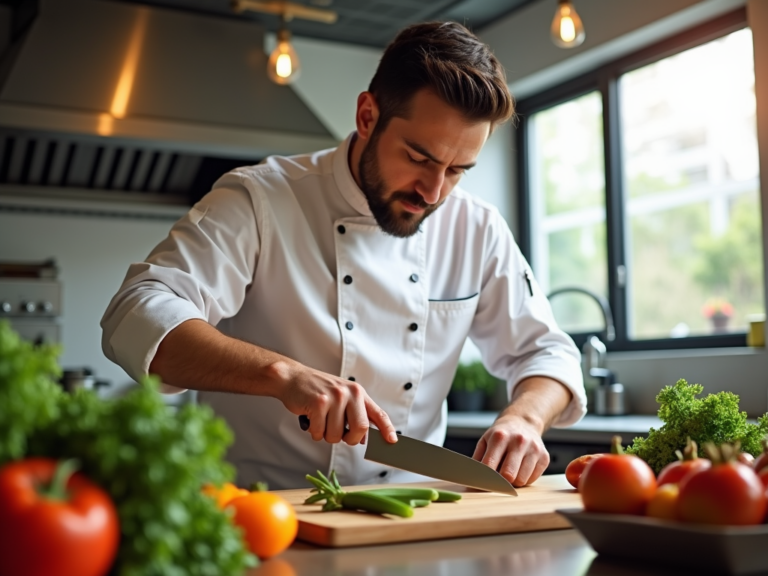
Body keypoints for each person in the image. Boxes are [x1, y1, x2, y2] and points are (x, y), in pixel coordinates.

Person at [101, 21, 585, 490]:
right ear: (367, 116)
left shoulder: (476, 227)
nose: (434, 192)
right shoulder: (261, 199)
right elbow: (137, 311)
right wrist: (283, 375)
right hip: (262, 510)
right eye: (419, 158)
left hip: (411, 513)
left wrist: (525, 417)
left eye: (458, 169)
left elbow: (548, 352)